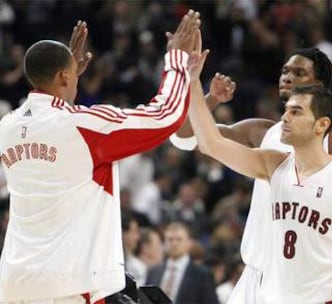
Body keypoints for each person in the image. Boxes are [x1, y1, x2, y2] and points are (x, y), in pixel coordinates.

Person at [170, 47, 332, 304]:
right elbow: (191, 139)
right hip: (262, 276)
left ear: (318, 86)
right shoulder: (269, 146)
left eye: (299, 72)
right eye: (285, 71)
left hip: (320, 282)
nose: (287, 77)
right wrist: (201, 90)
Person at [0, 10, 201, 303]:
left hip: (15, 282)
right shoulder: (82, 127)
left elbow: (56, 124)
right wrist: (176, 60)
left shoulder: (8, 125)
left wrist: (65, 75)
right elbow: (163, 116)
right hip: (69, 283)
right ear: (65, 75)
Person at [145, 222, 219, 304]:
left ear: (189, 243)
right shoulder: (153, 272)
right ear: (164, 242)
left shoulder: (202, 275)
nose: (174, 243)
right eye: (170, 239)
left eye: (179, 239)